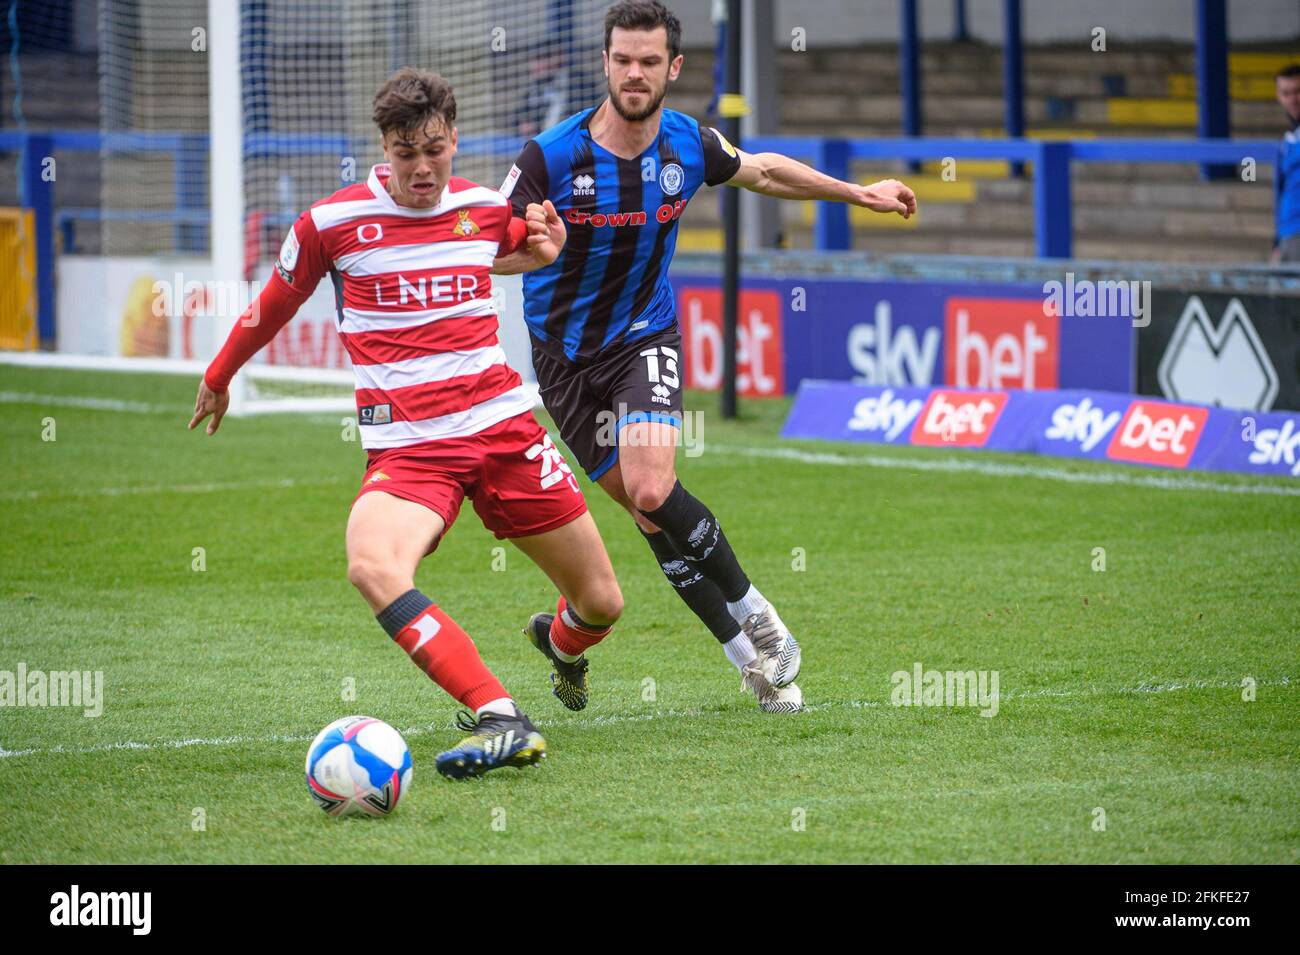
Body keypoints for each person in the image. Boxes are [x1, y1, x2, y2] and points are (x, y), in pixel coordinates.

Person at [189, 67, 624, 778]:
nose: (422, 167)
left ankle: (563, 646)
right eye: (405, 152)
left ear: (454, 139)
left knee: (602, 602)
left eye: (434, 149)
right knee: (371, 563)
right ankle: (501, 715)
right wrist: (219, 374)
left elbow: (519, 248)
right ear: (382, 148)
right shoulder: (330, 223)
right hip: (411, 451)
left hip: (505, 431)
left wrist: (551, 246)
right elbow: (275, 300)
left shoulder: (484, 208)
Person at [494, 1, 916, 712]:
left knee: (655, 488)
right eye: (623, 59)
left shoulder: (688, 146)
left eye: (649, 61)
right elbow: (489, 247)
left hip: (644, 338)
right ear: (604, 63)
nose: (635, 73)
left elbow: (766, 173)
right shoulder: (550, 157)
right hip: (564, 365)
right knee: (650, 516)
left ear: (673, 68)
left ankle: (760, 616)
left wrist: (858, 194)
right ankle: (727, 662)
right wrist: (529, 247)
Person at [1271, 64, 1300, 265]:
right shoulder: (1287, 142)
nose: (1293, 100)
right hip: (1288, 235)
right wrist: (1277, 241)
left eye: (1298, 92)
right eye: (1286, 93)